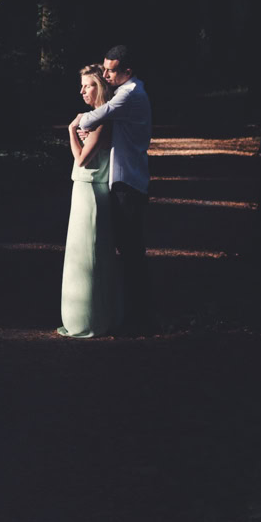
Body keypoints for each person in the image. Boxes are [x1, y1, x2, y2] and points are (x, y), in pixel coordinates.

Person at [69, 45, 152, 334]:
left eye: (110, 70)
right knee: (126, 250)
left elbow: (93, 118)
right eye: (103, 68)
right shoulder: (128, 91)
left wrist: (78, 125)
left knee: (130, 252)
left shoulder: (129, 95)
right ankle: (129, 313)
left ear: (127, 71)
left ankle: (136, 318)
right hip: (128, 179)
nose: (105, 74)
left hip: (128, 182)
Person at [58, 65, 117, 338]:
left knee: (90, 253)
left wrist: (71, 130)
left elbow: (81, 160)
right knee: (81, 253)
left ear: (100, 87)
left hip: (92, 191)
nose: (82, 91)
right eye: (81, 86)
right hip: (83, 190)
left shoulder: (103, 121)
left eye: (88, 85)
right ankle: (83, 315)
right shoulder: (94, 119)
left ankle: (89, 319)